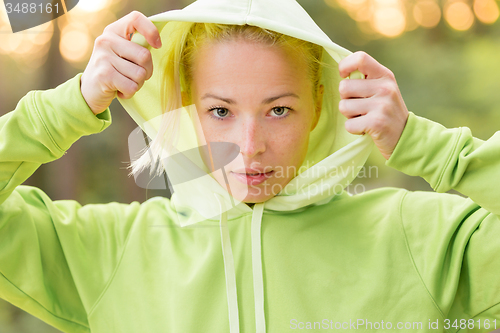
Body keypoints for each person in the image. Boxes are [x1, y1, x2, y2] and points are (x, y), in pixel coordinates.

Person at [1, 0, 499, 332]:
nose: (250, 145)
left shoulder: (421, 240)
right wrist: (72, 105)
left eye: (278, 109)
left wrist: (430, 148)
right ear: (188, 108)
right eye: (220, 111)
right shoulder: (108, 251)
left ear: (320, 105)